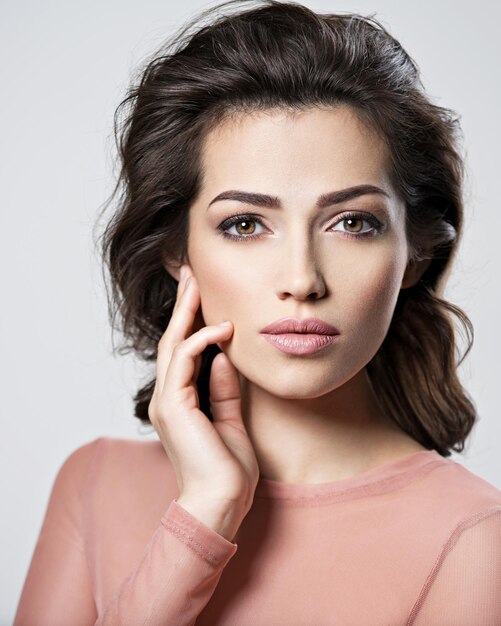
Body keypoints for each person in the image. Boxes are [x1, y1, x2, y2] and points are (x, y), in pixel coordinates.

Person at [14, 1, 501, 624]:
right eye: (245, 224)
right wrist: (201, 517)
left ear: (415, 252)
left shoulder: (474, 539)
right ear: (176, 249)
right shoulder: (93, 485)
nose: (302, 279)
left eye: (353, 223)